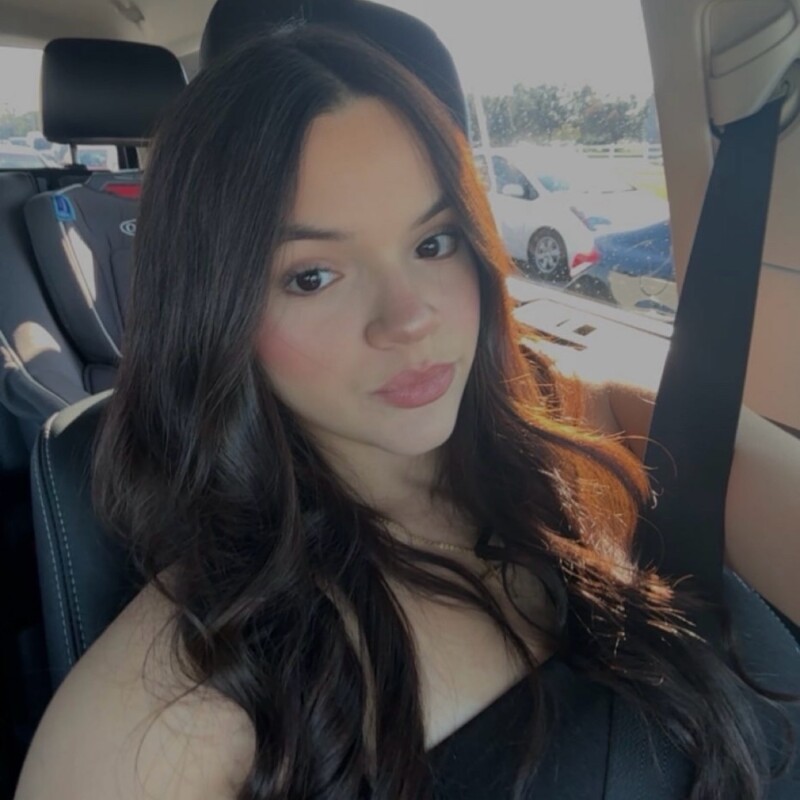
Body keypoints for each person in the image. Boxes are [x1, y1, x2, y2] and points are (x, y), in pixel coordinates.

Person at [13, 23, 800, 800]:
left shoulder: (574, 428)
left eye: (434, 243)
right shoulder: (170, 705)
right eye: (312, 276)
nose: (411, 319)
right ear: (215, 314)